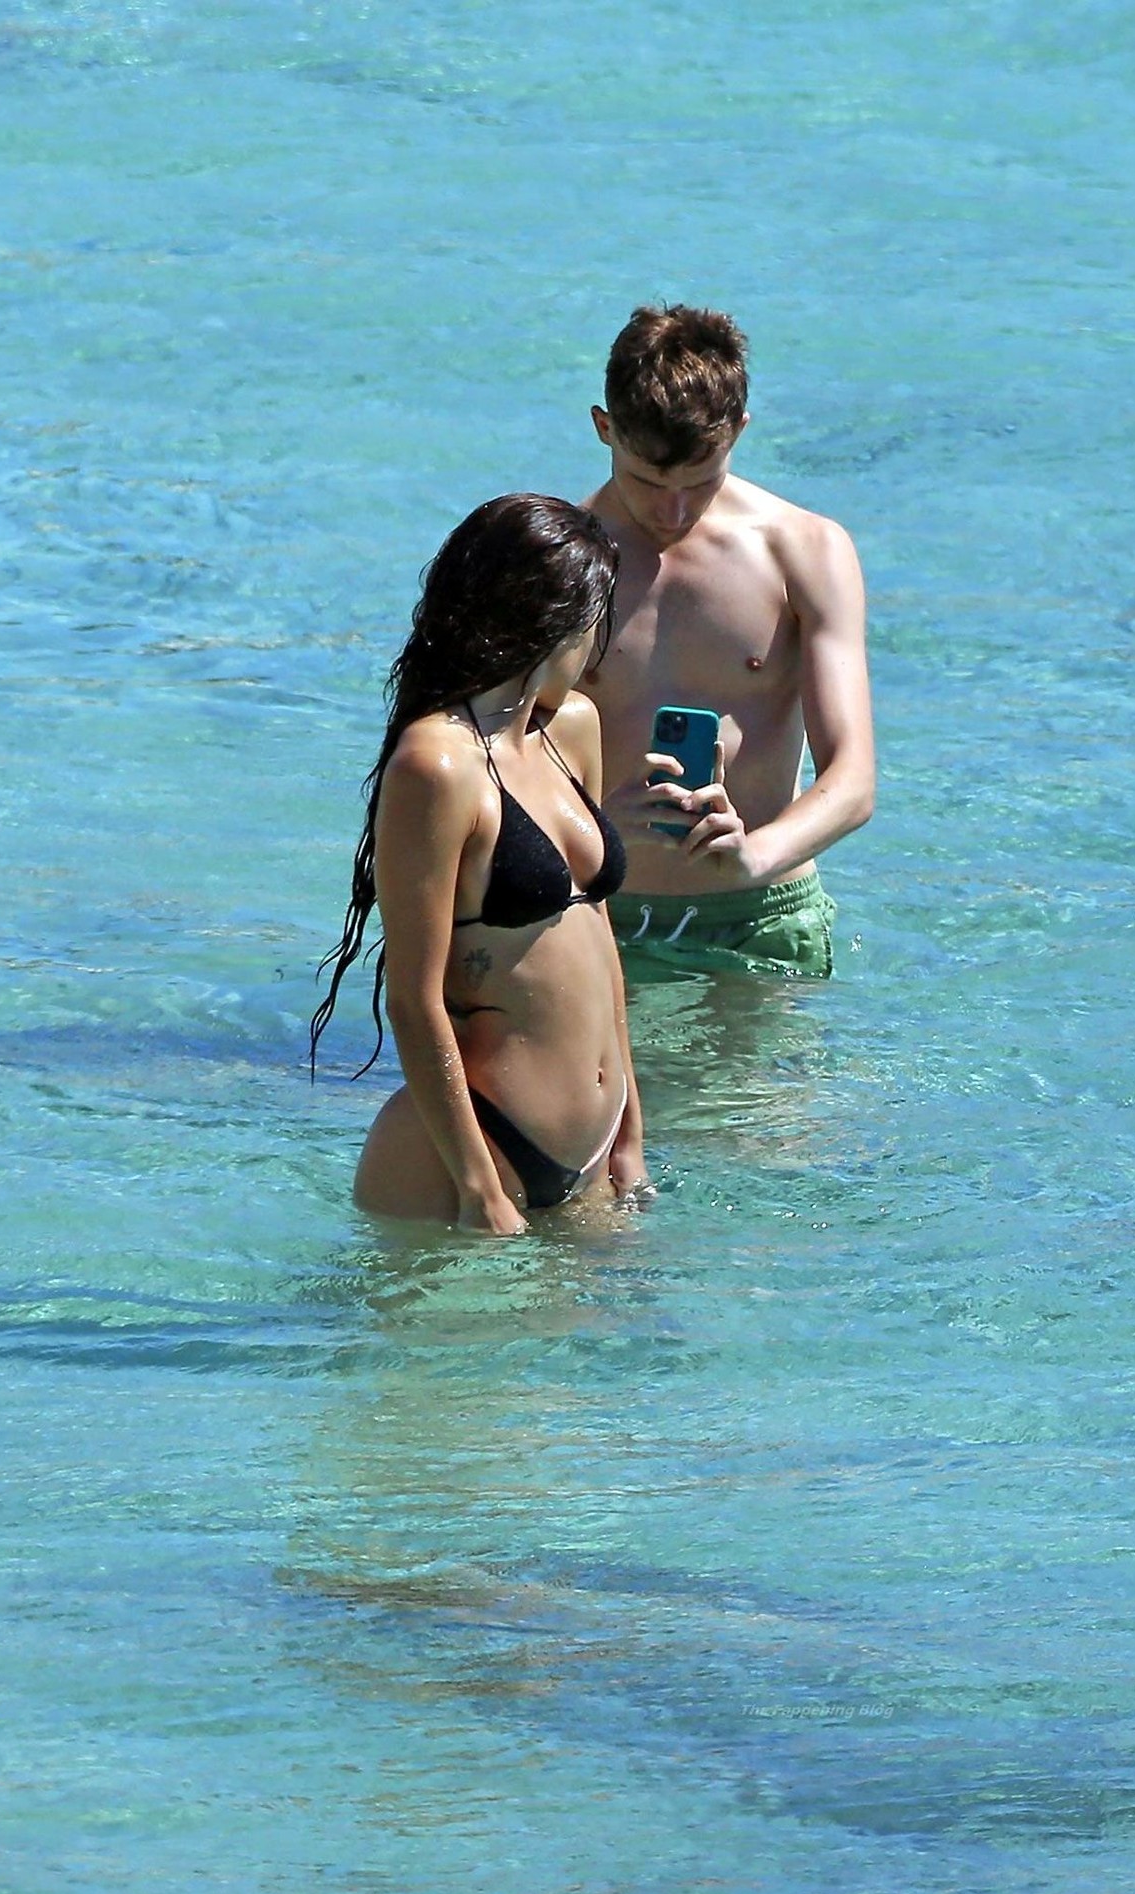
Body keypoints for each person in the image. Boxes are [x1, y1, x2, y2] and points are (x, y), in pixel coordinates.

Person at [310, 495, 647, 1235]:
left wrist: (630, 1128)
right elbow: (414, 998)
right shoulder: (436, 765)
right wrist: (478, 1188)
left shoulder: (572, 729)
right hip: (474, 1153)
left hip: (595, 1152)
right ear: (556, 623)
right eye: (596, 626)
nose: (598, 651)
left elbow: (598, 934)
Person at [581, 304, 876, 976]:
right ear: (604, 427)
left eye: (700, 480)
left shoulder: (805, 551)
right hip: (594, 908)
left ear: (739, 429)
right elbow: (491, 759)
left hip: (759, 915)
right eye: (646, 480)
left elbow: (852, 781)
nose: (673, 511)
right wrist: (589, 826)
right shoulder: (555, 562)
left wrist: (754, 856)